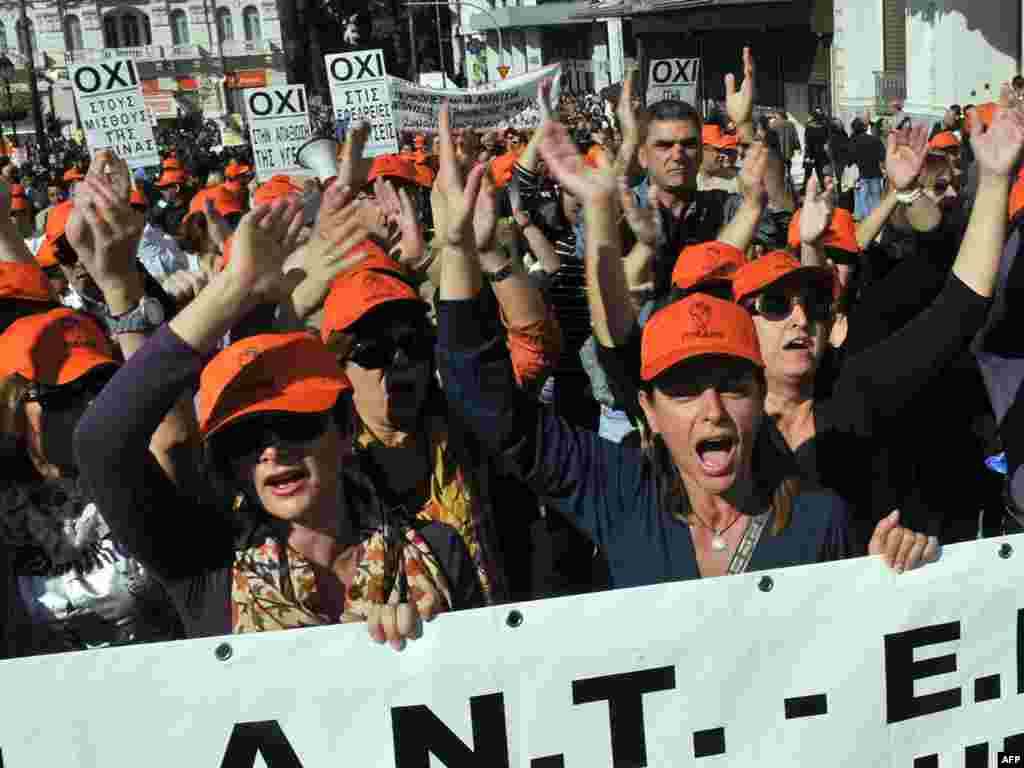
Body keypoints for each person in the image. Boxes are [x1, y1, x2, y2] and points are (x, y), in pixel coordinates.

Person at [436, 119, 926, 584]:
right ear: (647, 408)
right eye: (685, 391)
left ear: (759, 394)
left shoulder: (820, 521)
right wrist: (460, 252)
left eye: (731, 386)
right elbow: (489, 405)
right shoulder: (623, 494)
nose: (712, 412)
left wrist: (888, 578)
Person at [74, 176, 482, 650]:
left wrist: (435, 644)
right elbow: (101, 442)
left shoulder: (438, 550)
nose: (271, 451)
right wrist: (231, 289)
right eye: (242, 439)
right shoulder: (206, 565)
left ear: (345, 427)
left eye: (294, 422)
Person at [849, 117, 886, 220]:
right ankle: (878, 220)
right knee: (876, 198)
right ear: (864, 128)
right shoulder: (875, 139)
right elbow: (883, 156)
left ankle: (868, 220)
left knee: (863, 199)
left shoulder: (853, 142)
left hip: (863, 174)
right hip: (876, 173)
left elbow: (851, 159)